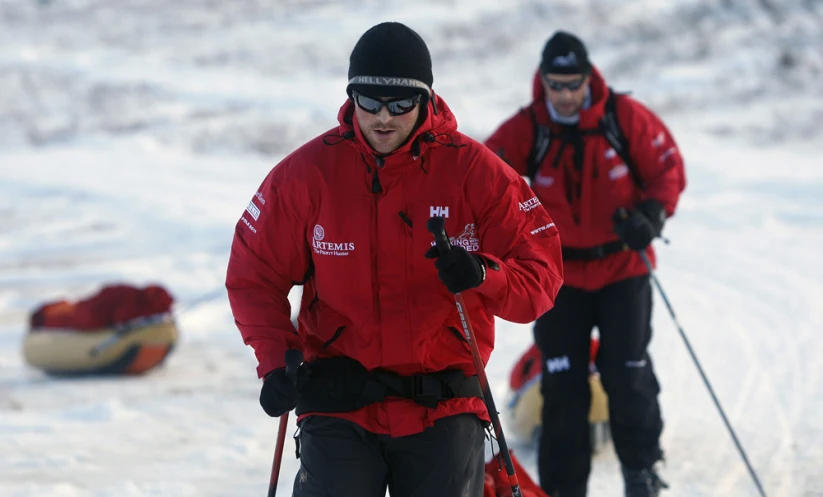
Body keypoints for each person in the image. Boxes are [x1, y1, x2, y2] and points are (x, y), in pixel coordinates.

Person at [225, 22, 564, 497]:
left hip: (444, 403)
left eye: (401, 104)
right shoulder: (306, 176)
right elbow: (252, 274)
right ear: (351, 98)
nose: (384, 117)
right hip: (337, 399)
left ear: (426, 100)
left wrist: (482, 274)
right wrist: (276, 361)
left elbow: (541, 275)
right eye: (370, 102)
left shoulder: (475, 172)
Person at [485, 31, 686, 497]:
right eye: (556, 84)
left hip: (622, 269)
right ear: (543, 82)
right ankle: (563, 489)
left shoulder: (623, 117)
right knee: (561, 386)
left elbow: (667, 167)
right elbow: (486, 179)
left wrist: (651, 215)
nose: (565, 94)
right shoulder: (528, 127)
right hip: (558, 279)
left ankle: (641, 472)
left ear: (588, 78)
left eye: (573, 83)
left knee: (627, 371)